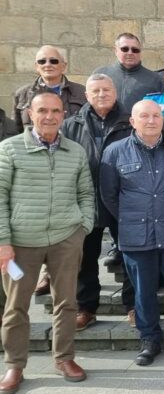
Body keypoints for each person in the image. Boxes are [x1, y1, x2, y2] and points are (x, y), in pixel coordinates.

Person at [0, 92, 94, 392]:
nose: (50, 116)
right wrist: (3, 241)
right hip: (21, 242)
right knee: (16, 307)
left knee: (66, 303)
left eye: (56, 111)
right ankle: (15, 365)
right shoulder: (9, 149)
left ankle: (64, 357)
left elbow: (86, 194)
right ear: (30, 113)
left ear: (64, 115)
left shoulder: (75, 152)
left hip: (65, 239)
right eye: (43, 110)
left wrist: (82, 228)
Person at [99, 100, 164, 366]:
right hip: (137, 234)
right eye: (143, 116)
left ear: (163, 119)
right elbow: (109, 195)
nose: (150, 120)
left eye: (156, 115)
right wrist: (133, 215)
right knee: (143, 292)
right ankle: (149, 339)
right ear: (132, 122)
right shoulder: (114, 152)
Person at [61, 74, 134, 331]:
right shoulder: (71, 125)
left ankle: (133, 305)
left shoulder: (130, 122)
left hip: (122, 200)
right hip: (85, 200)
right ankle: (87, 308)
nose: (101, 94)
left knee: (128, 255)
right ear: (87, 96)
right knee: (85, 258)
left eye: (106, 90)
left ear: (114, 93)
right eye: (96, 91)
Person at [13, 45, 86, 133]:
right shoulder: (22, 94)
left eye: (53, 61)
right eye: (42, 61)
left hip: (71, 145)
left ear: (63, 66)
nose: (47, 65)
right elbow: (15, 130)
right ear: (36, 66)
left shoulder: (81, 92)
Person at [93, 32, 164, 113]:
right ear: (116, 50)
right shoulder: (101, 74)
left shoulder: (155, 79)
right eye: (125, 49)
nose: (130, 53)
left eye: (135, 50)